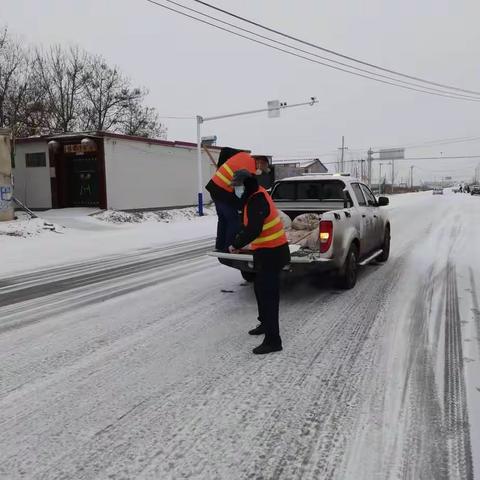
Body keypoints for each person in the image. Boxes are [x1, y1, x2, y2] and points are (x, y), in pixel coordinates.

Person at [228, 169, 290, 355]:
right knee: (259, 289)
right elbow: (248, 225)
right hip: (265, 252)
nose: (236, 190)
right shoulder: (253, 196)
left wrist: (236, 244)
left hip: (273, 253)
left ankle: (273, 340)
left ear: (246, 184)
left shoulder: (257, 199)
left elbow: (254, 229)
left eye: (238, 186)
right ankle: (265, 324)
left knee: (269, 296)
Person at [206, 148, 270, 252]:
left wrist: (220, 167)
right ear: (259, 162)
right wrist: (244, 205)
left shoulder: (243, 155)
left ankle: (220, 246)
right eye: (262, 169)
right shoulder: (250, 170)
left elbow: (225, 150)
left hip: (213, 186)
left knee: (223, 219)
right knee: (234, 220)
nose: (261, 172)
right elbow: (249, 193)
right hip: (223, 190)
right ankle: (229, 248)